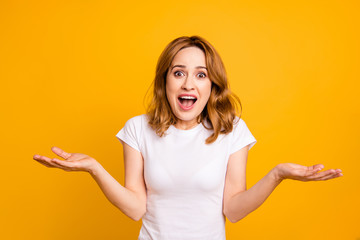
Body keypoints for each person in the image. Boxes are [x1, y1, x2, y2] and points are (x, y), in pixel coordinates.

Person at [33, 36, 343, 240]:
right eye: (178, 72)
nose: (188, 84)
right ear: (164, 80)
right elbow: (135, 208)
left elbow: (233, 209)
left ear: (212, 85)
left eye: (201, 74)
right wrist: (95, 169)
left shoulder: (231, 130)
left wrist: (279, 174)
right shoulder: (137, 129)